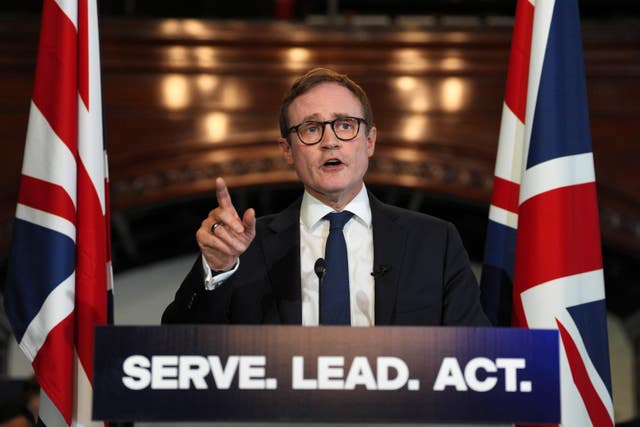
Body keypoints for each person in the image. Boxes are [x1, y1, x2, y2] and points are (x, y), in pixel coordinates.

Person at [162, 67, 489, 326]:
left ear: (370, 141)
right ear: (287, 151)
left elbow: (475, 358)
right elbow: (179, 348)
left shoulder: (435, 242)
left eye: (345, 126)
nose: (330, 142)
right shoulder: (244, 248)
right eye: (311, 129)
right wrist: (217, 270)